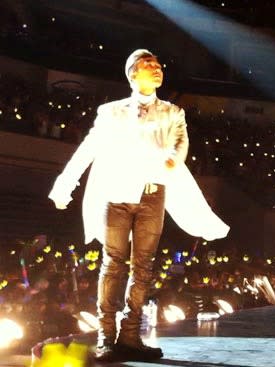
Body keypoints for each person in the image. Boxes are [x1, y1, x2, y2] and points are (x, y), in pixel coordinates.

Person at [48, 49, 229, 362]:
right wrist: (65, 184)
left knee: (143, 266)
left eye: (158, 65)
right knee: (112, 262)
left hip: (152, 194)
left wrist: (169, 161)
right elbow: (88, 148)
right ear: (133, 73)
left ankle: (130, 334)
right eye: (148, 65)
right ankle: (106, 336)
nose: (157, 69)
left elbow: (179, 144)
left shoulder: (173, 112)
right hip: (116, 194)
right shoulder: (111, 112)